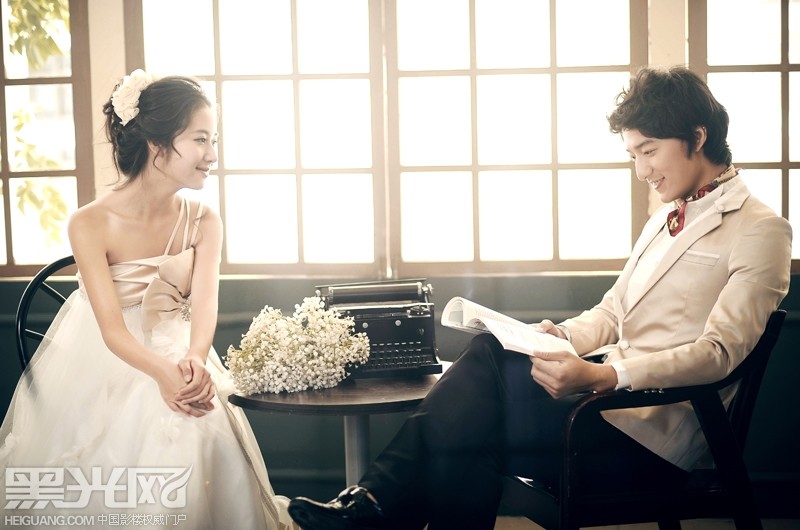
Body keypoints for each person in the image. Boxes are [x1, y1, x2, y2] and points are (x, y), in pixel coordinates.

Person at [287, 65, 792, 530]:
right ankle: (371, 508)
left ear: (697, 137)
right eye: (633, 155)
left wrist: (604, 375)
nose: (642, 170)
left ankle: (371, 506)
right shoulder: (665, 217)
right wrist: (560, 336)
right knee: (482, 389)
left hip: (652, 439)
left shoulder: (760, 230)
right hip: (602, 411)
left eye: (649, 150)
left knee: (471, 415)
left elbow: (719, 353)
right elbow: (614, 311)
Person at [0, 70, 298, 530]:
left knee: (196, 416)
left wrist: (195, 357)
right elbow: (112, 330)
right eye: (200, 140)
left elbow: (205, 305)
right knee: (166, 421)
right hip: (112, 359)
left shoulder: (204, 220)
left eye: (214, 140)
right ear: (158, 144)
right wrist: (162, 373)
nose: (212, 155)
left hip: (181, 349)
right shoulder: (89, 223)